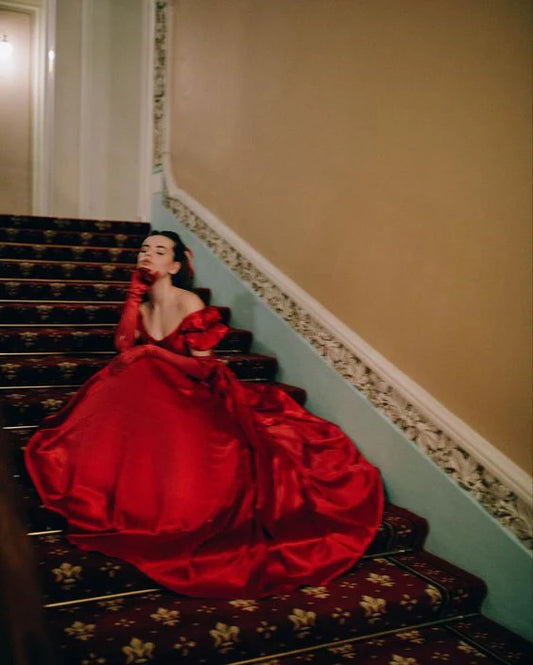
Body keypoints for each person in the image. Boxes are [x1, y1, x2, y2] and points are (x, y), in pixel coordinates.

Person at [25, 230, 384, 599]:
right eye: (144, 249)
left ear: (174, 265)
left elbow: (201, 368)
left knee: (143, 371)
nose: (147, 255)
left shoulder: (190, 303)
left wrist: (152, 352)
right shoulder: (143, 306)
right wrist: (133, 298)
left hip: (197, 390)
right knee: (128, 376)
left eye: (159, 251)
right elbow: (123, 347)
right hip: (157, 390)